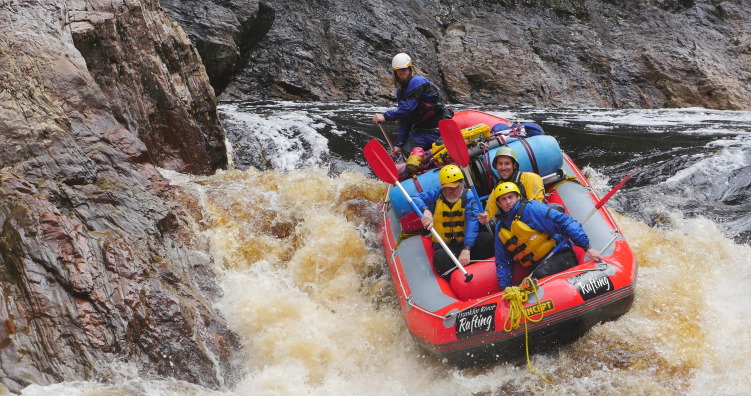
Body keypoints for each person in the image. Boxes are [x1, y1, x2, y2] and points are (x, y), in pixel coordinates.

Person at [492, 182, 603, 288]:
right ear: (499, 203)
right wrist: (504, 286)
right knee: (523, 284)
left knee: (539, 276)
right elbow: (502, 260)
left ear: (518, 197)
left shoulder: (531, 209)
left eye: (510, 197)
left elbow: (565, 222)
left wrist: (587, 247)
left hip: (560, 254)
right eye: (503, 199)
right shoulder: (501, 228)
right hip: (537, 266)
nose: (508, 202)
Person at [411, 165, 494, 280]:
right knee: (439, 258)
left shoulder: (469, 197)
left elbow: (472, 223)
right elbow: (414, 198)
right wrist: (426, 211)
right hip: (448, 249)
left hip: (469, 245)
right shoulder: (436, 195)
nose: (452, 191)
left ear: (461, 185)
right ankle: (456, 280)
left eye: (456, 187)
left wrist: (467, 249)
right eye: (448, 188)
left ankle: (486, 271)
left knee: (486, 239)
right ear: (442, 187)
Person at [372, 53, 452, 158]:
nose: (402, 72)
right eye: (399, 70)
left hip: (436, 129)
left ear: (410, 68)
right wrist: (399, 144)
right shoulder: (401, 91)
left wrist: (385, 116)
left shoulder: (417, 81)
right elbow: (405, 119)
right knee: (404, 149)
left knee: (407, 152)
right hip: (422, 130)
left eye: (404, 69)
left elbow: (407, 108)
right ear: (395, 71)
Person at [479, 147, 546, 225]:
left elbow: (537, 207)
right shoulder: (498, 187)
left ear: (514, 165)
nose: (503, 168)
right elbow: (489, 211)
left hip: (536, 221)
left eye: (507, 163)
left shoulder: (531, 178)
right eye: (500, 164)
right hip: (515, 226)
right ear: (496, 167)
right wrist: (484, 217)